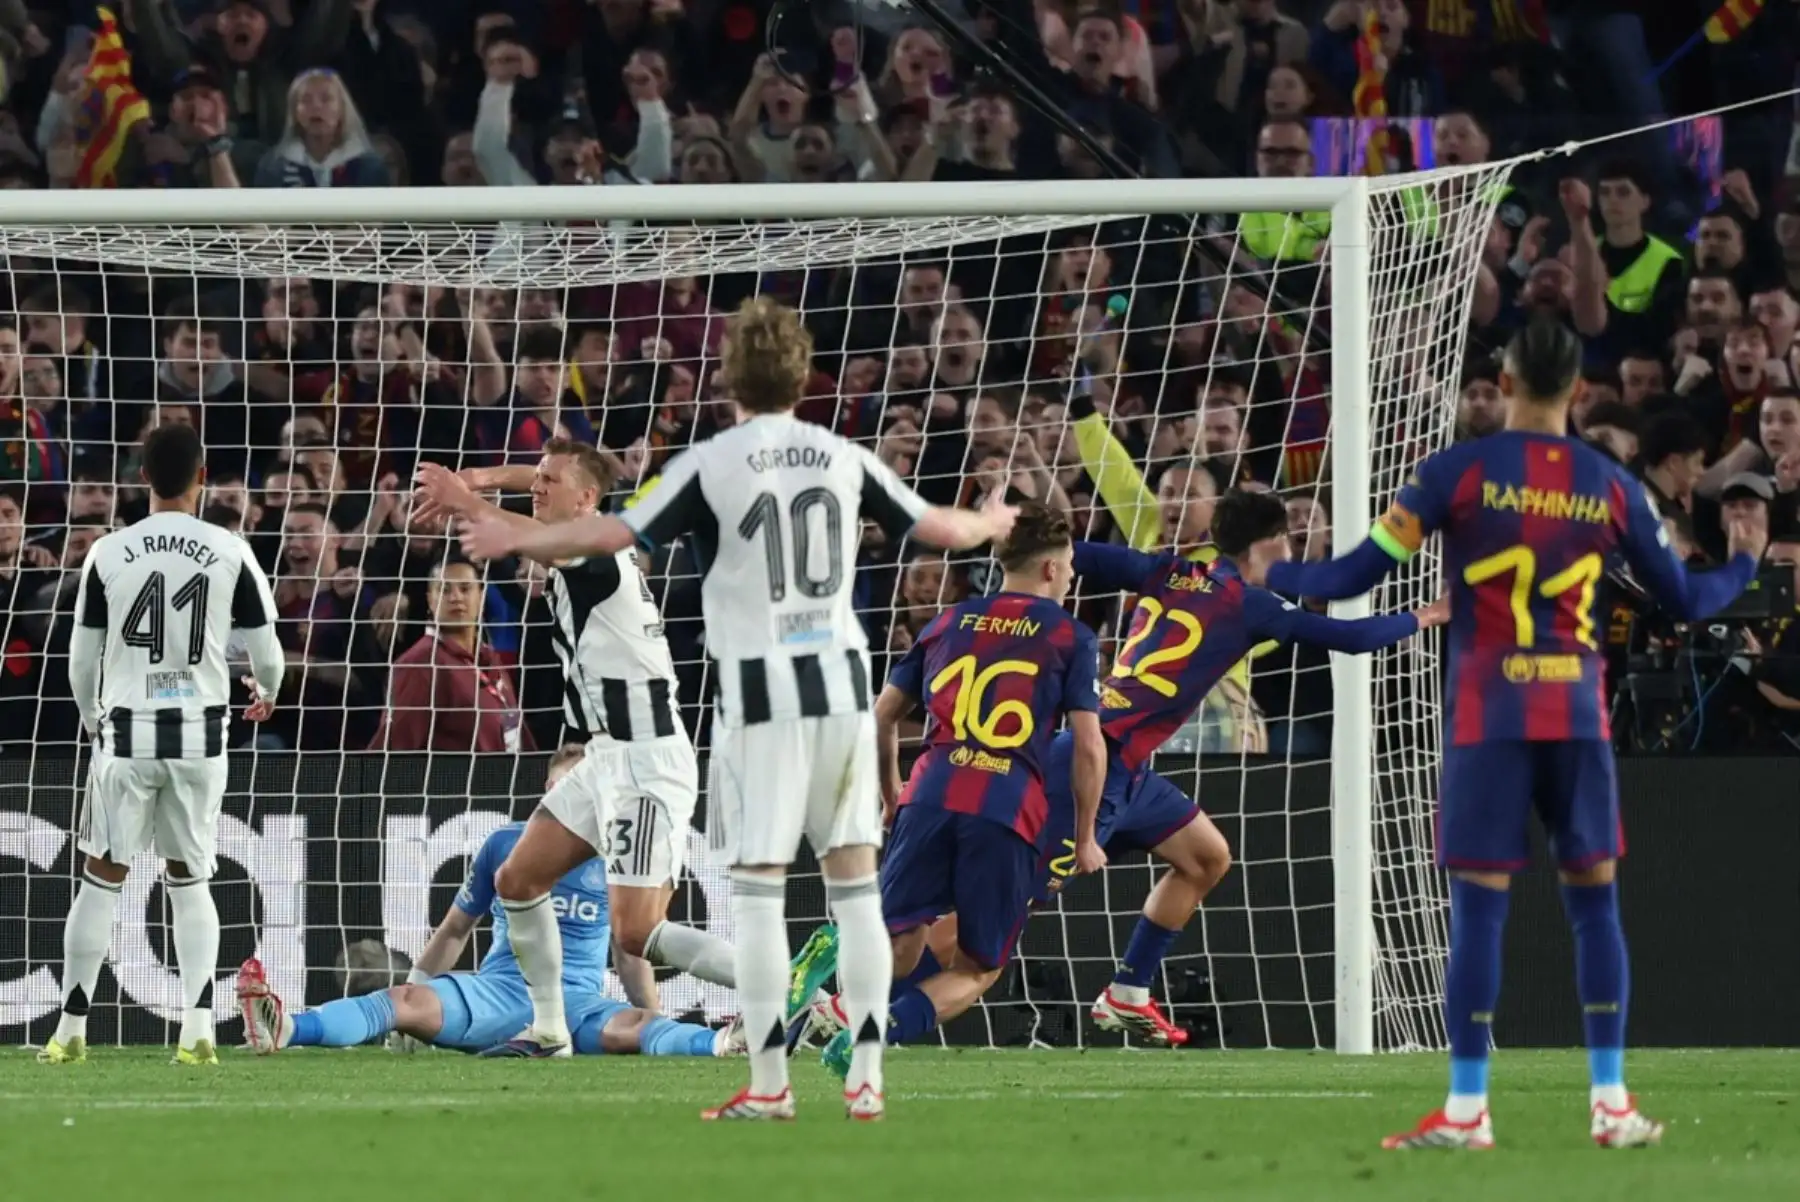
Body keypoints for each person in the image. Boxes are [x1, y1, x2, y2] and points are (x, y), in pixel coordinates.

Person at [457, 296, 1018, 1122]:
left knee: (757, 895)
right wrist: (992, 520)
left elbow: (611, 534)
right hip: (839, 694)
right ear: (803, 375)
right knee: (854, 890)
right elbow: (939, 527)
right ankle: (866, 1075)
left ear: (728, 379)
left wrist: (509, 533)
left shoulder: (712, 464)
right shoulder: (840, 455)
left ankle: (770, 1085)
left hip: (756, 701)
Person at [1266, 315, 1762, 1150]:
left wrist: (1270, 569)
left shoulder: (1454, 474)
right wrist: (1744, 559)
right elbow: (1683, 599)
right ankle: (1611, 1103)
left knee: (1479, 914)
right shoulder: (1609, 484)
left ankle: (1468, 1109)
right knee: (1595, 908)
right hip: (1575, 717)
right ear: (1579, 389)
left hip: (1487, 718)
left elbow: (1352, 575)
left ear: (1502, 382)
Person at [798, 489, 1445, 1056]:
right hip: (1089, 766)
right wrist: (1431, 614)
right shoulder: (1253, 605)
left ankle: (1128, 991)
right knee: (979, 930)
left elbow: (1067, 552)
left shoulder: (1166, 571)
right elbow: (1353, 639)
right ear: (1270, 545)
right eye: (1287, 542)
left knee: (1207, 858)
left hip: (1127, 766)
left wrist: (1006, 523)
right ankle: (851, 1004)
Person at [412, 438, 730, 1051]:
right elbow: (540, 492)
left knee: (636, 934)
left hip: (645, 761)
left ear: (585, 500)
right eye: (537, 478)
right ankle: (550, 1027)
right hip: (605, 756)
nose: (536, 487)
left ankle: (785, 987)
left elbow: (529, 534)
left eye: (550, 482)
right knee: (517, 879)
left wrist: (464, 500)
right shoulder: (589, 537)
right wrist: (479, 477)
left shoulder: (596, 552)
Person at [809, 502, 1106, 1077]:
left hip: (931, 791)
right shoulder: (1071, 635)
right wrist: (1087, 836)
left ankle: (832, 949)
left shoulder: (949, 620)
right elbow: (1089, 747)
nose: (1071, 577)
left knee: (900, 947)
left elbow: (881, 716)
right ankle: (876, 1030)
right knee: (978, 967)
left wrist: (892, 791)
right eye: (1069, 566)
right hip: (1005, 805)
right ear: (1050, 569)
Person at [236, 745, 742, 1060]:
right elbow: (456, 929)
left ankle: (722, 1042)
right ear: (549, 792)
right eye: (564, 787)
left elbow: (629, 953)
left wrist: (650, 1016)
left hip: (578, 1004)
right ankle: (285, 1027)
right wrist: (418, 990)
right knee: (401, 1001)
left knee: (634, 1028)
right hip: (496, 994)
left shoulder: (620, 857)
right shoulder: (507, 845)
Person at [43, 423, 283, 1066]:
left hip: (128, 733)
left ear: (142, 477)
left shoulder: (107, 552)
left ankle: (70, 1030)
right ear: (203, 477)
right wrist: (267, 690)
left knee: (101, 878)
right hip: (200, 736)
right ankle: (198, 1028)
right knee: (189, 877)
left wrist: (92, 718)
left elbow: (80, 660)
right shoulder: (230, 550)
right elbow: (268, 653)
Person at [369, 556, 531, 753]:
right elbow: (391, 751)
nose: (456, 597)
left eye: (465, 589)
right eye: (445, 590)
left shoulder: (490, 660)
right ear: (430, 600)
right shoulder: (421, 665)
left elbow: (515, 731)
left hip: (509, 771)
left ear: (481, 596)